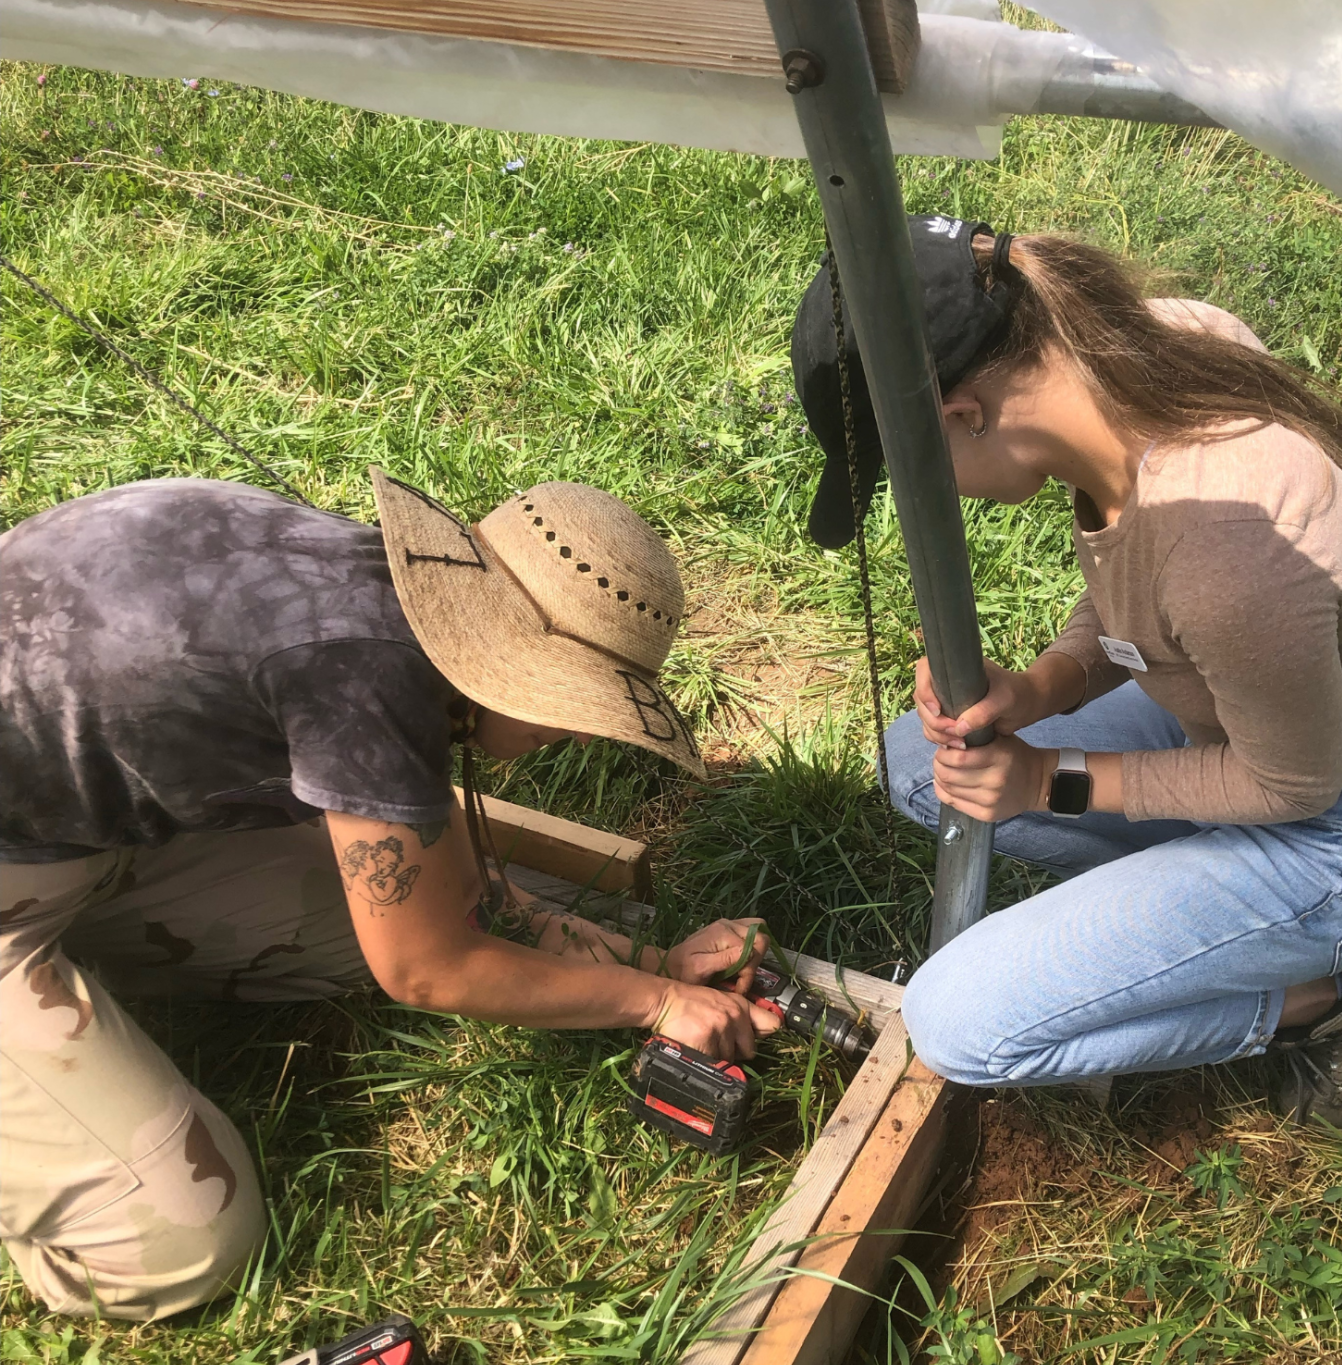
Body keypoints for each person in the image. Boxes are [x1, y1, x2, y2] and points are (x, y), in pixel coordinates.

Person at [0, 470, 779, 1321]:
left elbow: (451, 903)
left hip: (78, 831)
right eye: (571, 710)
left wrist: (657, 963)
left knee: (352, 924)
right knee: (187, 1239)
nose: (570, 734)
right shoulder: (365, 680)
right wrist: (654, 1002)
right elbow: (429, 968)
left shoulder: (377, 594)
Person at [792, 217, 1342, 1125]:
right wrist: (1041, 689)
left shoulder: (1232, 548)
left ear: (962, 413)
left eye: (918, 471)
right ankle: (1213, 899)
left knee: (959, 1026)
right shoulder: (1128, 356)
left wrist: (1048, 778)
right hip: (1237, 718)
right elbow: (1136, 583)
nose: (936, 493)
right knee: (920, 766)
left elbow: (1293, 783)